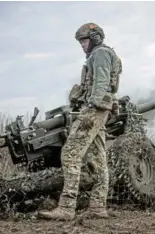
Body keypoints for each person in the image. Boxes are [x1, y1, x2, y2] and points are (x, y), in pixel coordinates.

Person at [38, 23, 122, 221]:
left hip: (94, 110)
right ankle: (98, 207)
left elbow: (101, 83)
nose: (82, 45)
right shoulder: (105, 54)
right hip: (101, 110)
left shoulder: (100, 54)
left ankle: (66, 208)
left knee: (70, 153)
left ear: (95, 38)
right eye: (81, 42)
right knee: (99, 160)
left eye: (84, 41)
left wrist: (91, 106)